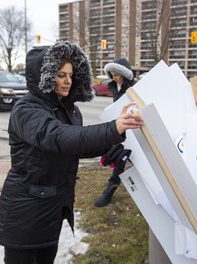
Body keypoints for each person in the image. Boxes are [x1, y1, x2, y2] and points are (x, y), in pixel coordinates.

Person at [0, 40, 143, 264]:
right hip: (26, 211)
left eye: (71, 74)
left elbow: (74, 147)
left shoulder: (70, 110)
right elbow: (59, 137)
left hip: (54, 206)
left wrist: (112, 142)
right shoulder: (26, 109)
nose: (68, 80)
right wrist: (111, 128)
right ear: (44, 76)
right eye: (60, 74)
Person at [94, 58, 135, 207]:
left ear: (124, 75)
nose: (113, 78)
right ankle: (109, 192)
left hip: (134, 127)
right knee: (119, 161)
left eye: (116, 75)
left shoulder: (133, 87)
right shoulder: (113, 86)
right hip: (120, 128)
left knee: (138, 163)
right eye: (112, 74)